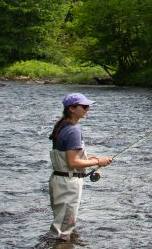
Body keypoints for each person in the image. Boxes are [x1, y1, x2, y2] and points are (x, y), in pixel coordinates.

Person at [47, 93, 113, 243]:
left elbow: (67, 159)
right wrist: (99, 161)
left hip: (59, 180)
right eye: (84, 106)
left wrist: (93, 160)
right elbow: (73, 163)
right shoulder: (73, 131)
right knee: (63, 229)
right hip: (68, 184)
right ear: (72, 109)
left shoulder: (63, 127)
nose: (87, 109)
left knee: (61, 223)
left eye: (87, 106)